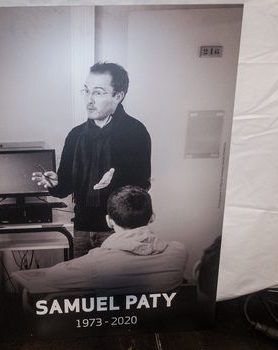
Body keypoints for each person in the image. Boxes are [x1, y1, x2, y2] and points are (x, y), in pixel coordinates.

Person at [32, 62, 151, 258]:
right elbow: (65, 188)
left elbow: (142, 187)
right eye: (86, 91)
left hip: (119, 230)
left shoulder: (136, 133)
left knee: (113, 286)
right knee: (83, 286)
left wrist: (116, 182)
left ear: (118, 96)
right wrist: (54, 183)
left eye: (98, 92)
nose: (89, 100)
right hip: (82, 227)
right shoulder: (76, 135)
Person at [11, 186, 186, 295]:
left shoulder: (97, 262)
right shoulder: (178, 253)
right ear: (152, 217)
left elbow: (52, 278)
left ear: (109, 221)